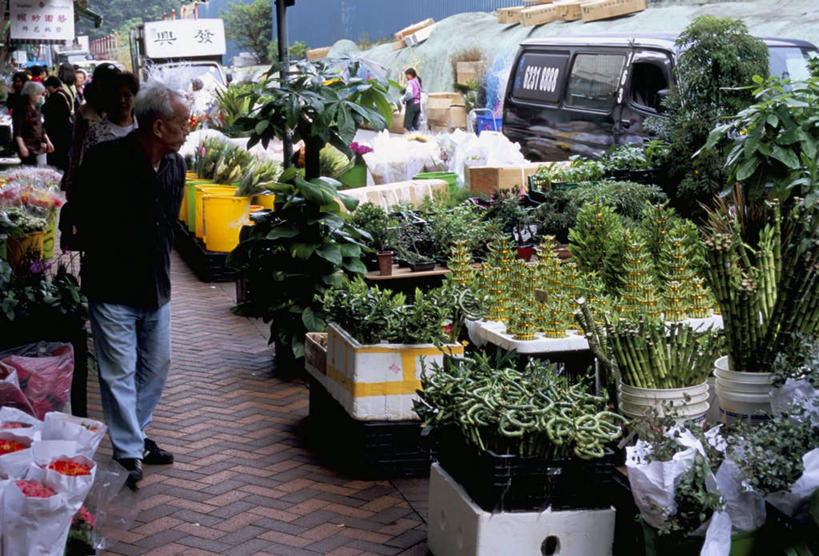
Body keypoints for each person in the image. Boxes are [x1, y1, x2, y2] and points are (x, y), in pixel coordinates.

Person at [73, 82, 189, 488]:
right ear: (159, 126)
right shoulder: (106, 159)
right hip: (112, 282)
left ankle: (135, 437)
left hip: (156, 284)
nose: (188, 130)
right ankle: (127, 452)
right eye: (183, 123)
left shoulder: (176, 165)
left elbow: (170, 221)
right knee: (118, 371)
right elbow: (83, 213)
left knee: (156, 367)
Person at [61, 63, 121, 198]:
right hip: (92, 176)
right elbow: (77, 148)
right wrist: (71, 184)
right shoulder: (85, 111)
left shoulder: (126, 108)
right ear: (98, 83)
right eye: (106, 81)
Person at [83, 71, 139, 151]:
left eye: (127, 95)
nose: (122, 100)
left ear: (135, 98)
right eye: (117, 95)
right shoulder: (96, 132)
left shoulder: (144, 128)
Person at [12, 80, 54, 166]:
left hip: (36, 146)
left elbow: (41, 127)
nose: (40, 96)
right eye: (38, 94)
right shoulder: (21, 109)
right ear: (31, 94)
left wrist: (48, 140)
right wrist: (22, 147)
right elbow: (18, 131)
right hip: (27, 146)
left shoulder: (36, 108)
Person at [42, 76, 73, 170]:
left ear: (51, 86)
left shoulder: (56, 97)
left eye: (48, 87)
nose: (47, 89)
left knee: (56, 155)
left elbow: (45, 109)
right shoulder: (64, 94)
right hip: (65, 129)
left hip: (57, 131)